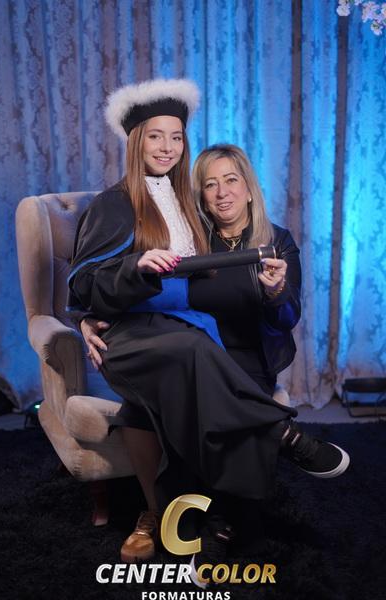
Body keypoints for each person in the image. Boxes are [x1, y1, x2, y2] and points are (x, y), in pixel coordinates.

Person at [68, 79, 350, 568]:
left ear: (249, 187)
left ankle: (218, 525)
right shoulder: (116, 203)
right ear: (135, 141)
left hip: (205, 339)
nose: (167, 147)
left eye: (176, 137)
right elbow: (83, 283)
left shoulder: (206, 218)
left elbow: (285, 314)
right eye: (155, 136)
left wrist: (274, 290)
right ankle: (281, 434)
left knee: (199, 355)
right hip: (143, 339)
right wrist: (96, 307)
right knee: (195, 353)